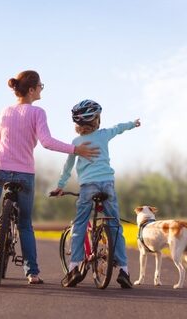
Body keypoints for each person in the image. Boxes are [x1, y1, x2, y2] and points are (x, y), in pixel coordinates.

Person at [0, 70, 100, 284]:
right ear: (32, 90)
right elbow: (47, 142)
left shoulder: (5, 111)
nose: (42, 89)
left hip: (1, 171)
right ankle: (32, 273)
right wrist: (75, 149)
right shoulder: (38, 112)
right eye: (40, 86)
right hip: (24, 174)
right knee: (25, 224)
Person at [50, 99, 140, 289]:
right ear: (97, 120)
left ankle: (74, 268)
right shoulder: (104, 134)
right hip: (108, 184)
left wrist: (60, 186)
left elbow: (68, 167)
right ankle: (124, 271)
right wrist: (133, 124)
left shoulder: (76, 143)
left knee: (80, 224)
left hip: (88, 186)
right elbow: (119, 128)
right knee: (115, 225)